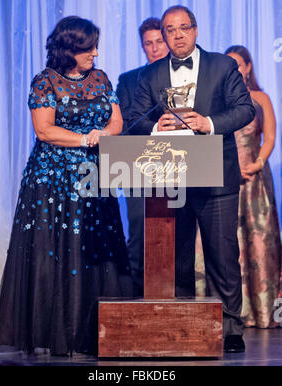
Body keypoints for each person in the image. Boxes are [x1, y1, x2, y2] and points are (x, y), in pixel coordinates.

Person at [0, 16, 132, 357]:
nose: (95, 53)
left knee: (96, 251)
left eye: (95, 47)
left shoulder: (100, 78)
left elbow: (116, 120)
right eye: (88, 48)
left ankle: (97, 332)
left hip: (94, 175)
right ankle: (53, 332)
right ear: (69, 49)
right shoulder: (45, 82)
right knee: (57, 251)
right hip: (52, 180)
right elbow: (44, 130)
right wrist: (86, 137)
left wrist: (105, 133)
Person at [128, 5, 255, 353]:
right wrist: (156, 126)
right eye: (171, 29)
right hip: (170, 178)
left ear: (196, 31)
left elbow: (246, 109)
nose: (178, 35)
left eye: (184, 28)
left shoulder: (222, 65)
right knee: (177, 256)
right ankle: (180, 323)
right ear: (165, 35)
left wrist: (208, 123)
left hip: (216, 176)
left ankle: (231, 328)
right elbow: (134, 117)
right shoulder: (152, 74)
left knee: (223, 255)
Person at [224, 45, 282, 328]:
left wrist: (258, 163)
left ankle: (262, 313)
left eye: (238, 64)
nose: (234, 70)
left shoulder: (260, 98)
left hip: (255, 177)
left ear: (248, 67)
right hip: (225, 177)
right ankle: (233, 313)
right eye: (228, 65)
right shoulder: (219, 98)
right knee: (227, 243)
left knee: (259, 242)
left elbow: (270, 136)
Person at [116, 18, 169, 296]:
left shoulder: (186, 76)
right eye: (148, 44)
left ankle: (177, 298)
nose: (155, 49)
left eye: (159, 42)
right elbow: (124, 125)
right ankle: (135, 298)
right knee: (138, 233)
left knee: (177, 235)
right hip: (139, 166)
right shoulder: (128, 80)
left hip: (182, 166)